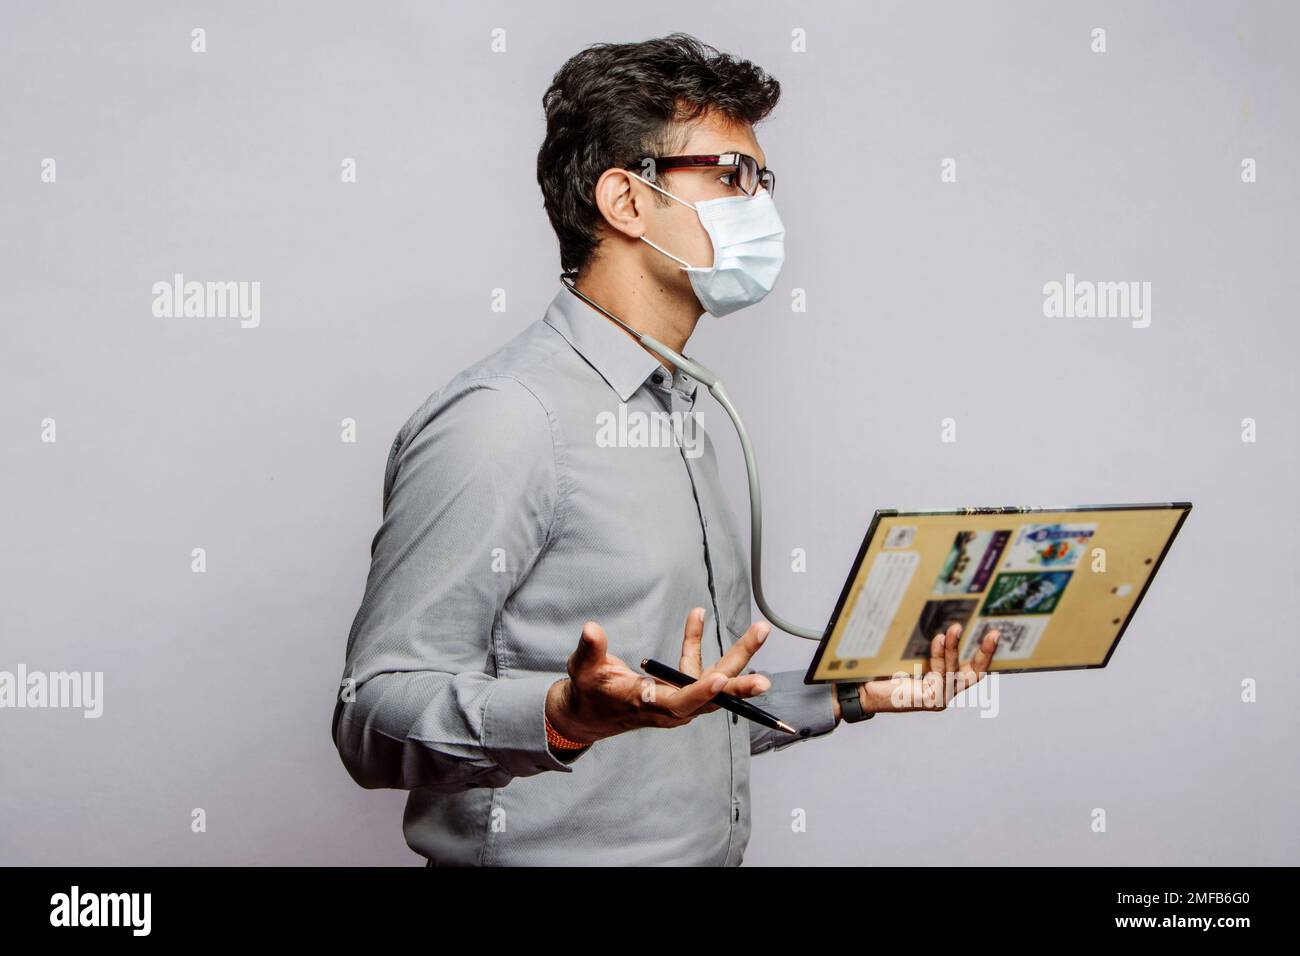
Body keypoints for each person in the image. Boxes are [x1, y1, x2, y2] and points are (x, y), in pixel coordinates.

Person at [332, 33, 999, 866]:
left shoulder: (676, 409)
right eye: (731, 176)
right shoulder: (505, 419)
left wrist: (856, 693)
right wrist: (560, 716)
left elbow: (675, 711)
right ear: (626, 200)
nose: (760, 205)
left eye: (762, 180)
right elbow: (370, 715)